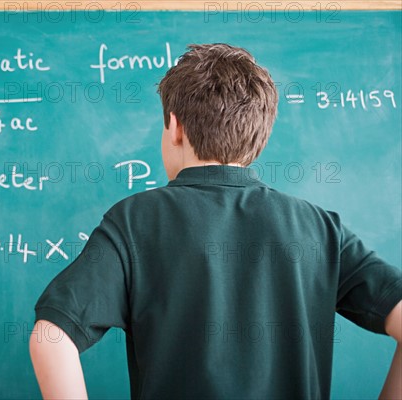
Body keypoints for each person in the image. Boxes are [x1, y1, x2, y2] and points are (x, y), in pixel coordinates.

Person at [29, 43, 402, 399]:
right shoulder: (321, 229)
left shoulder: (135, 221)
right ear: (260, 135)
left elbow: (52, 336)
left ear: (174, 127)